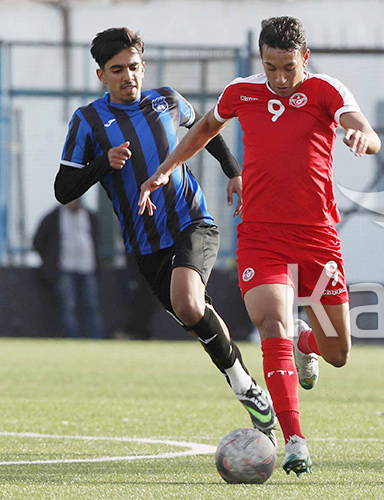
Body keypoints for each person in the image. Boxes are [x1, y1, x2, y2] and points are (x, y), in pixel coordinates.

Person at [138, 16, 380, 475]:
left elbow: (364, 129)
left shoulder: (327, 90)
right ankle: (295, 442)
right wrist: (168, 167)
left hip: (318, 237)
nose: (280, 79)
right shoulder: (242, 92)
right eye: (271, 68)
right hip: (261, 234)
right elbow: (206, 128)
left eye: (288, 67)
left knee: (338, 353)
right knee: (272, 323)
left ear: (304, 58)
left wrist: (362, 137)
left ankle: (307, 343)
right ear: (261, 61)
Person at [54, 27, 275, 436]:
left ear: (143, 66)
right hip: (145, 245)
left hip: (192, 220)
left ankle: (245, 389)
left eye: (134, 67)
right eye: (116, 70)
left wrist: (234, 172)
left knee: (189, 302)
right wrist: (104, 163)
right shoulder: (87, 121)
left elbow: (206, 130)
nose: (128, 76)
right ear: (101, 75)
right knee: (194, 314)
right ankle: (243, 378)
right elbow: (63, 188)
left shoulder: (168, 100)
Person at [33, 198, 105, 339]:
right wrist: (50, 261)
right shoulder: (53, 217)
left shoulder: (90, 216)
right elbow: (38, 241)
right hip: (64, 269)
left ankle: (97, 338)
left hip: (87, 268)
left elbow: (96, 240)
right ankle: (72, 338)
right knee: (68, 307)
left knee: (91, 306)